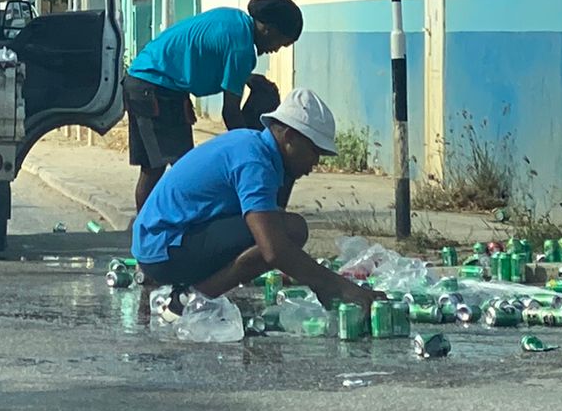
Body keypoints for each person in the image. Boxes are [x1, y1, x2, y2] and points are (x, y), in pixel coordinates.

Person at [131, 88, 382, 318]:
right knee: (290, 231)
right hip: (164, 249)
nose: (314, 163)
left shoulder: (252, 144)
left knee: (277, 227)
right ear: (290, 137)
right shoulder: (255, 162)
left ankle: (192, 292)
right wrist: (336, 286)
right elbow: (274, 250)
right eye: (314, 152)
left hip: (159, 245)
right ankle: (190, 298)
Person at [123, 0, 303, 211]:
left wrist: (246, 77)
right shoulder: (242, 49)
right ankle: (153, 231)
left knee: (157, 167)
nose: (276, 50)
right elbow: (230, 113)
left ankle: (148, 229)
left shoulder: (234, 21)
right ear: (268, 28)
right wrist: (250, 151)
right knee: (180, 169)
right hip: (155, 87)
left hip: (144, 79)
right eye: (280, 43)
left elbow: (209, 54)